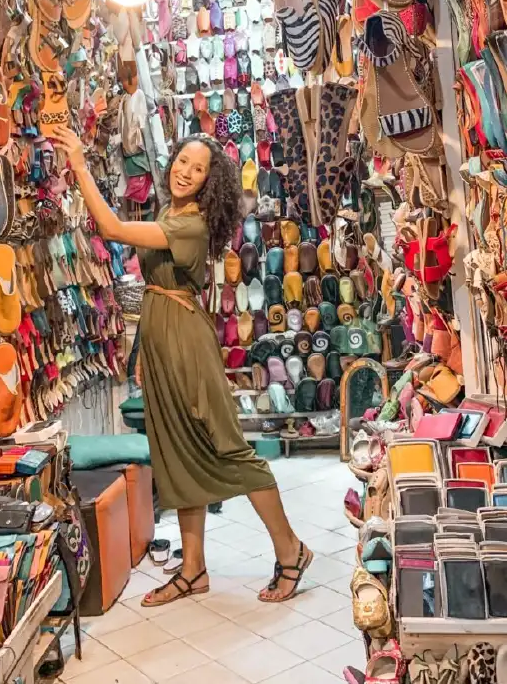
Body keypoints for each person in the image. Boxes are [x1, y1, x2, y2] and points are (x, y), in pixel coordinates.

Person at [51, 127, 313, 607]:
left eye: (198, 169)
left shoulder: (188, 224)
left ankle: (292, 550)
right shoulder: (170, 211)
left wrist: (80, 165)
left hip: (186, 345)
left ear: (208, 183)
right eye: (182, 161)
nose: (184, 172)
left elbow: (112, 230)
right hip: (164, 340)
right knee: (177, 450)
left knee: (226, 447)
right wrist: (146, 356)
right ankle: (192, 570)